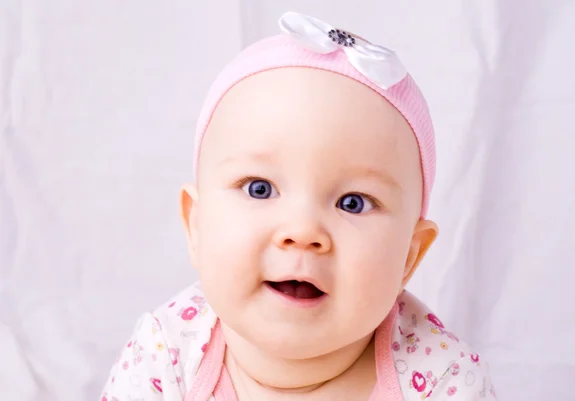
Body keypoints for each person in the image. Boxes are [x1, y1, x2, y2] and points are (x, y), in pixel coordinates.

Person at [100, 11, 495, 401]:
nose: (303, 230)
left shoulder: (444, 382)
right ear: (197, 225)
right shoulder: (165, 356)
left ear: (409, 256)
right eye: (259, 188)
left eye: (352, 203)